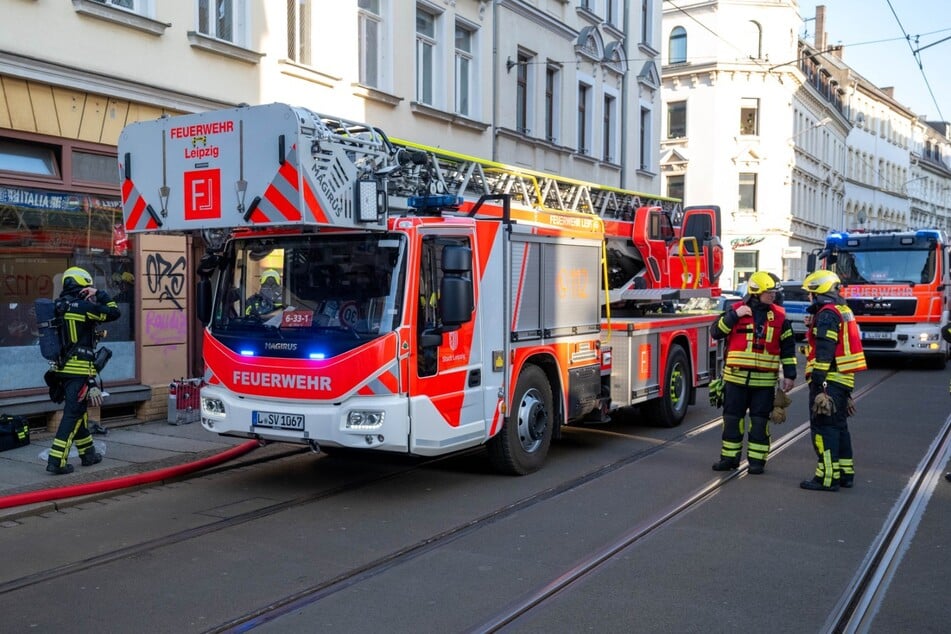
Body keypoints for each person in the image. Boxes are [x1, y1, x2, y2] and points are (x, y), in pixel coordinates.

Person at [711, 271, 797, 474]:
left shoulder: (779, 317)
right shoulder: (736, 311)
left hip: (764, 383)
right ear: (756, 292)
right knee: (732, 420)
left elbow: (788, 347)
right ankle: (729, 459)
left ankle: (757, 462)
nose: (773, 295)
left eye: (775, 292)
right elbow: (716, 331)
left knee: (759, 423)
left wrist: (790, 375)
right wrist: (734, 316)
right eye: (769, 292)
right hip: (735, 380)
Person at [46, 266, 120, 475]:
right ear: (81, 284)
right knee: (73, 413)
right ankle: (56, 460)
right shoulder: (84, 307)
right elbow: (114, 312)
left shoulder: (58, 306)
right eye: (87, 285)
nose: (89, 289)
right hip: (79, 370)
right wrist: (100, 294)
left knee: (79, 413)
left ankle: (88, 454)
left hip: (61, 369)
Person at [799, 270, 867, 492]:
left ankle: (827, 477)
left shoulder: (827, 315)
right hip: (843, 378)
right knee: (839, 427)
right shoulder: (842, 310)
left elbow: (826, 349)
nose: (809, 298)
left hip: (829, 379)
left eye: (810, 294)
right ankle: (845, 473)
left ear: (819, 293)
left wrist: (818, 382)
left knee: (823, 429)